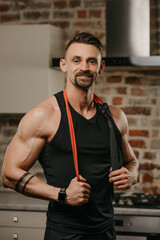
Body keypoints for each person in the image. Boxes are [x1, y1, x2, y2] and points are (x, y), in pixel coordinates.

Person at [2, 32, 138, 240]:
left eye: (91, 61)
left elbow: (131, 162)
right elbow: (8, 174)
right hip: (64, 233)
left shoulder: (115, 117)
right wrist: (62, 194)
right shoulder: (44, 116)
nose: (84, 67)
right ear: (64, 65)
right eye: (77, 60)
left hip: (105, 232)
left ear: (100, 68)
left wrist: (131, 175)